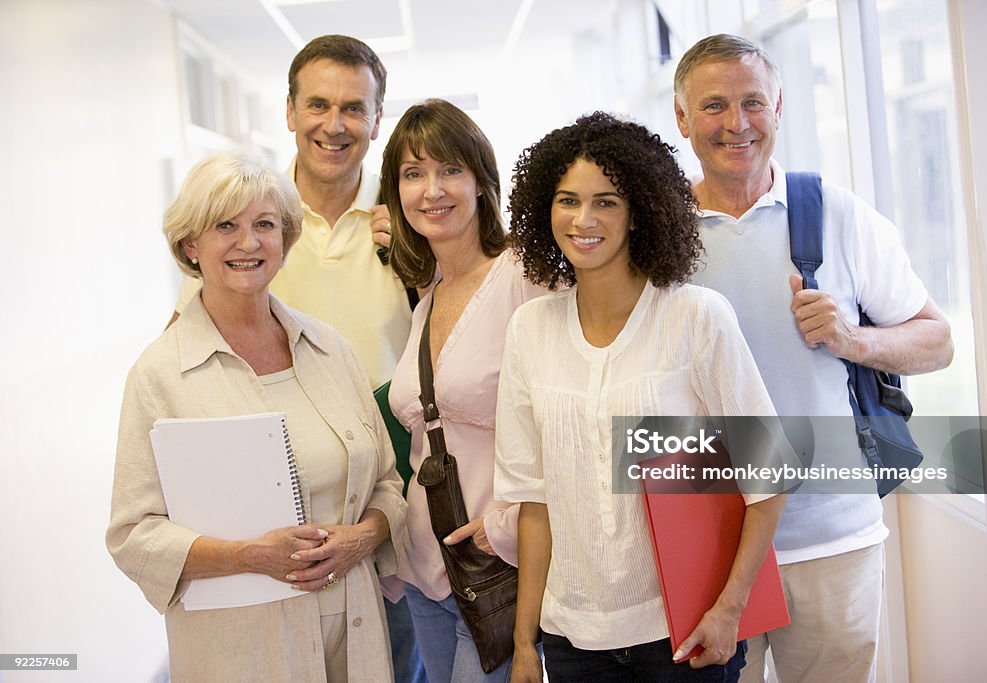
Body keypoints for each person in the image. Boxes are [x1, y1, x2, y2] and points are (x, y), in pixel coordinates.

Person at [673, 34, 954, 683]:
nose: (736, 123)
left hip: (834, 538)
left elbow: (937, 340)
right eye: (714, 105)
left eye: (753, 102)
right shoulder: (660, 234)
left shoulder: (835, 214)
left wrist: (856, 341)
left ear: (778, 106)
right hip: (706, 544)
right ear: (683, 119)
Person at [495, 111, 787, 682]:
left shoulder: (695, 317)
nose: (583, 219)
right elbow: (535, 503)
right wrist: (525, 642)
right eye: (567, 200)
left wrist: (729, 609)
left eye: (606, 201)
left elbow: (769, 473)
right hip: (572, 641)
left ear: (640, 212)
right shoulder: (530, 329)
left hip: (685, 629)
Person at [167, 35, 424, 681]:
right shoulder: (249, 223)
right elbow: (187, 359)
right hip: (267, 505)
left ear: (376, 118)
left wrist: (419, 254)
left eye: (353, 108)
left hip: (382, 501)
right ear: (288, 111)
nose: (333, 125)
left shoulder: (414, 220)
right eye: (317, 104)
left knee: (391, 662)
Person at [107, 149, 407, 682]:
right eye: (226, 226)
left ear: (285, 240)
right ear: (190, 245)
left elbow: (387, 482)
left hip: (353, 630)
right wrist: (250, 555)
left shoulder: (330, 350)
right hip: (241, 649)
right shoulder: (159, 375)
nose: (249, 243)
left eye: (265, 224)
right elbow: (134, 535)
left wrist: (362, 538)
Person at [381, 98, 548, 682]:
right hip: (427, 571)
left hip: (499, 568)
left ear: (481, 180)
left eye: (450, 169)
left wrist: (506, 522)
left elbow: (568, 421)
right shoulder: (426, 297)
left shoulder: (526, 277)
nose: (433, 189)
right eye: (413, 173)